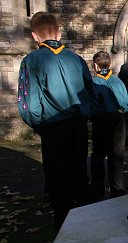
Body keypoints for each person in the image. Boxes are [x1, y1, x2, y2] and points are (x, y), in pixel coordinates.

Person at [17, 12, 98, 230]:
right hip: (78, 125)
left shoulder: (31, 61)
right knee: (81, 177)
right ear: (59, 32)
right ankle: (89, 225)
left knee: (59, 182)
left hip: (53, 127)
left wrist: (38, 124)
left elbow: (28, 103)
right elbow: (91, 94)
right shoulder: (77, 59)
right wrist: (86, 114)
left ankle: (65, 232)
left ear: (35, 36)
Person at [91, 51, 128, 200]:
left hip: (100, 121)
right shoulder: (117, 81)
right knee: (117, 156)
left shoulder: (94, 83)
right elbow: (126, 105)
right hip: (118, 120)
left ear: (95, 66)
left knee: (98, 156)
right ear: (110, 64)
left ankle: (97, 191)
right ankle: (117, 189)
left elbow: (91, 105)